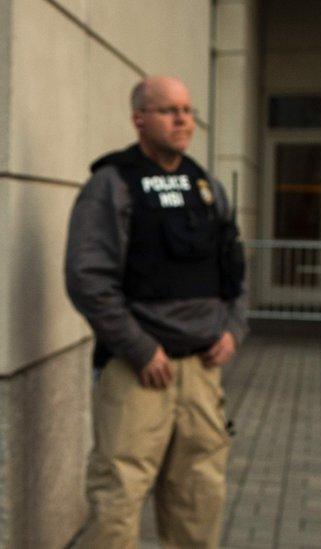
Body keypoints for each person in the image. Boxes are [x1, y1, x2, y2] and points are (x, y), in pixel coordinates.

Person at [65, 75, 247, 548]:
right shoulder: (112, 185)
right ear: (139, 119)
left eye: (187, 110)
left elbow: (234, 266)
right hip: (139, 371)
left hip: (203, 373)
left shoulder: (204, 185)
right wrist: (140, 348)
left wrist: (234, 328)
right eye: (169, 110)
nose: (183, 119)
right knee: (118, 499)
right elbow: (88, 278)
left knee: (199, 497)